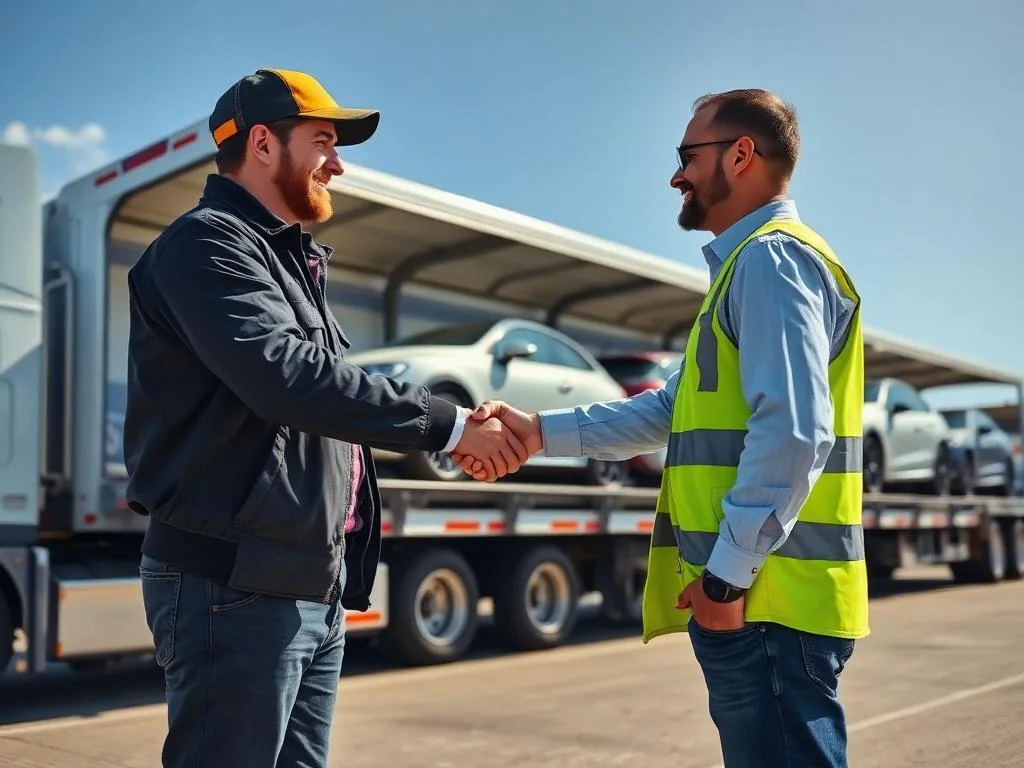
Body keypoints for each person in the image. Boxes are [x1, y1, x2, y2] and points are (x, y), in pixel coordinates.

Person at [123, 68, 528, 768]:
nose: (338, 163)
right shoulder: (206, 245)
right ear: (262, 144)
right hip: (236, 586)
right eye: (322, 142)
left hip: (306, 583)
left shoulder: (287, 262)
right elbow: (289, 379)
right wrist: (454, 427)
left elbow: (330, 397)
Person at [453, 88, 867, 768]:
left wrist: (725, 583)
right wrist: (535, 432)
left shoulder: (772, 260)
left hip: (767, 605)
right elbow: (668, 411)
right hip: (759, 604)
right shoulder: (748, 267)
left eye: (688, 156)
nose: (676, 176)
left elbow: (795, 432)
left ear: (741, 155)